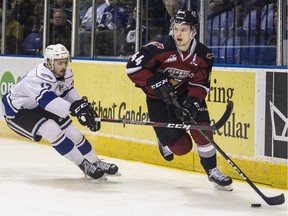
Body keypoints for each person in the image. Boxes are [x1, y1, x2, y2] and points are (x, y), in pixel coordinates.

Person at [126, 10, 233, 191]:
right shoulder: (159, 47)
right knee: (182, 148)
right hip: (158, 99)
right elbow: (132, 68)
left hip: (185, 95)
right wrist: (155, 82)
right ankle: (164, 140)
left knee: (202, 132)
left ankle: (212, 170)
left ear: (193, 32)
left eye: (183, 29)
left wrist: (192, 102)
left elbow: (200, 84)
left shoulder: (204, 55)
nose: (178, 34)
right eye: (176, 29)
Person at [1, 44, 119, 179]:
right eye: (60, 63)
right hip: (17, 111)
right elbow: (47, 101)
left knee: (73, 132)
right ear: (49, 63)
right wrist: (73, 109)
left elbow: (68, 91)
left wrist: (81, 106)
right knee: (51, 129)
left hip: (37, 105)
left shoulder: (66, 72)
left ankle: (95, 161)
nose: (64, 66)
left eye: (65, 62)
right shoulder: (38, 77)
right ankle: (83, 165)